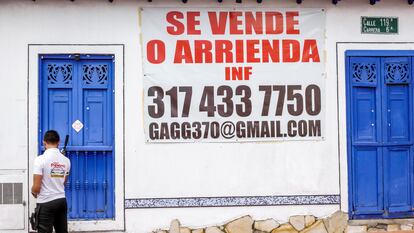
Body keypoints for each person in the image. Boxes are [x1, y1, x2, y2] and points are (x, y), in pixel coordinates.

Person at [31, 130, 71, 233]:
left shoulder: (40, 160)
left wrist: (33, 192)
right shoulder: (66, 161)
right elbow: (64, 182)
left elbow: (36, 187)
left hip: (46, 203)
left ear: (44, 142)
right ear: (58, 142)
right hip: (61, 201)